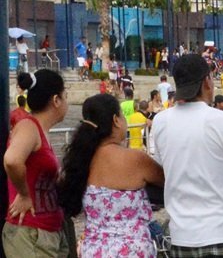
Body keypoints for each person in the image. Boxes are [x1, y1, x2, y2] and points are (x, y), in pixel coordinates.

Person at [147, 53, 223, 258]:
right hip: (222, 231)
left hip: (181, 234)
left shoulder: (160, 121)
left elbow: (161, 170)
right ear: (207, 82)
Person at [58, 93, 164, 258]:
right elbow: (167, 181)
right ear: (116, 120)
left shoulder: (80, 161)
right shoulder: (135, 159)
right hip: (133, 251)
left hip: (93, 251)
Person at [3, 70, 68, 256]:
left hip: (48, 231)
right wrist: (24, 195)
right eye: (65, 97)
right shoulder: (28, 127)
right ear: (56, 100)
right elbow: (12, 160)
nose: (66, 103)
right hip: (31, 234)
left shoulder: (40, 131)